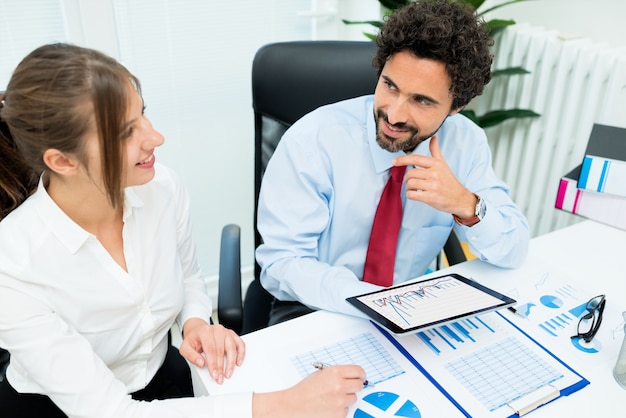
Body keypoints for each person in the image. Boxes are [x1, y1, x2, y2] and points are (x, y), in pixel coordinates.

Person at [0, 43, 365, 417]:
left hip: (163, 381)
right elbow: (109, 411)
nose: (155, 137)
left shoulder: (162, 188)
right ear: (62, 161)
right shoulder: (12, 263)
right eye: (127, 133)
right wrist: (285, 404)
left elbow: (188, 275)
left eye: (143, 114)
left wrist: (194, 324)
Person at [256, 0, 531, 325]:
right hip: (316, 307)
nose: (395, 114)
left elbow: (513, 248)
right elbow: (284, 264)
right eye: (390, 86)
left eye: (422, 100)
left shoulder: (465, 143)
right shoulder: (314, 141)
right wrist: (375, 304)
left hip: (411, 309)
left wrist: (466, 205)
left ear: (456, 106)